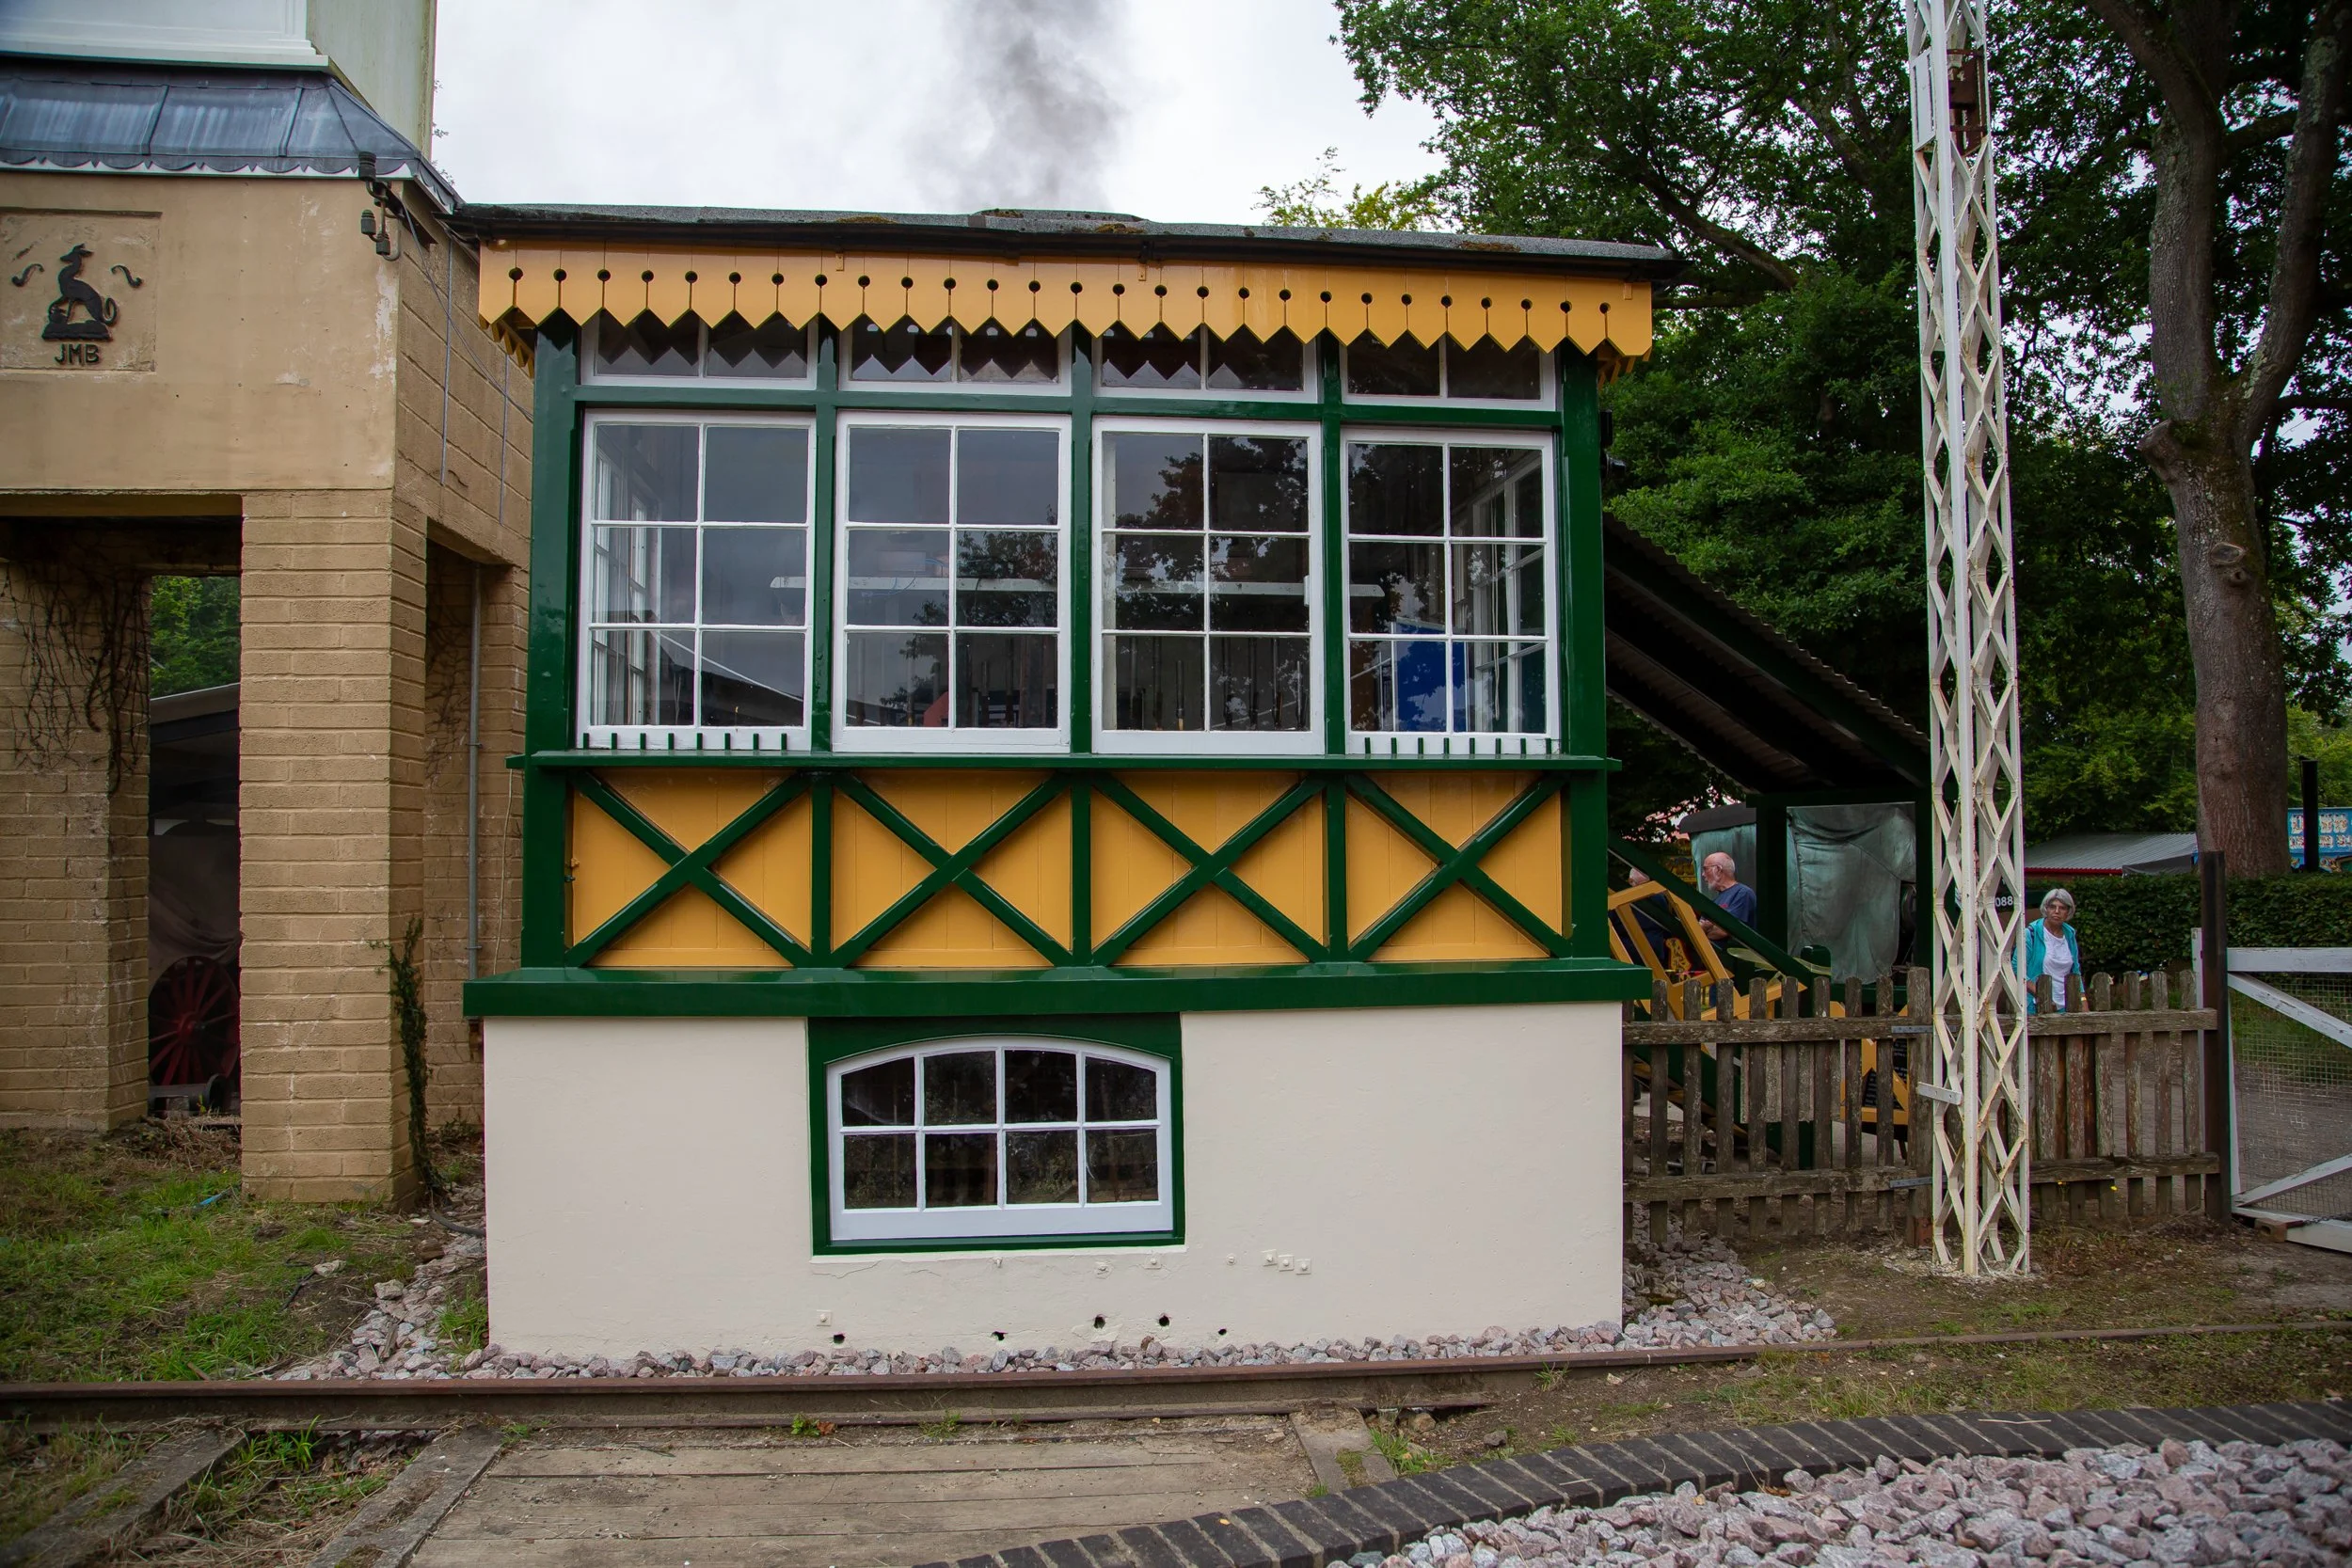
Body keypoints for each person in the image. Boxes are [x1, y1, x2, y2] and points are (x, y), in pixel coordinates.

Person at [2025, 887, 2081, 1013]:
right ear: (2046, 908)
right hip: (2037, 1006)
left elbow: (2075, 971)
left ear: (2068, 912)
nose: (2057, 911)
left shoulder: (2070, 935)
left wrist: (2083, 1002)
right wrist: (2042, 995)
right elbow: (2016, 969)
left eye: (2062, 908)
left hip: (2067, 1007)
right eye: (2052, 907)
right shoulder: (2031, 934)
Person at [1697, 851, 1758, 943]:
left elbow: (1723, 931)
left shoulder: (1743, 893)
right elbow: (1699, 930)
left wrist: (1706, 929)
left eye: (1705, 869)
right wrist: (1707, 928)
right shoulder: (1716, 900)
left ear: (1718, 870)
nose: (1703, 874)